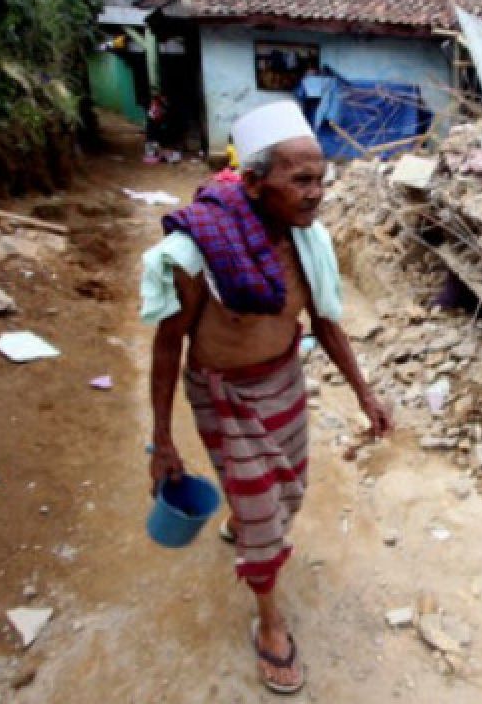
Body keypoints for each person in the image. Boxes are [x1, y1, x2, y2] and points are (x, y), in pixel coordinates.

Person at [140, 100, 392, 694]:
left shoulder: (310, 242)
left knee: (290, 488)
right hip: (224, 395)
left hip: (285, 383)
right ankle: (271, 624)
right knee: (261, 517)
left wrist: (365, 394)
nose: (316, 193)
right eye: (300, 179)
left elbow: (325, 322)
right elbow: (166, 346)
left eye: (321, 178)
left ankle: (246, 516)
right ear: (253, 182)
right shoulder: (198, 253)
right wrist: (162, 439)